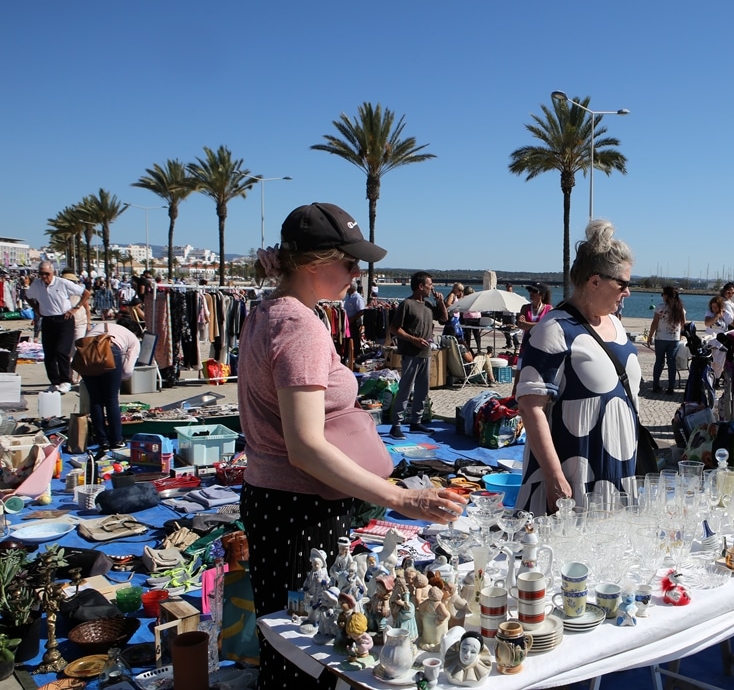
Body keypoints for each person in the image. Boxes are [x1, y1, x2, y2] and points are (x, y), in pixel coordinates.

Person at [238, 202, 467, 689]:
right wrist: (403, 498)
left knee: (285, 642)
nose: (357, 274)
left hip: (276, 502)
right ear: (314, 262)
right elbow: (305, 447)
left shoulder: (270, 311)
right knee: (309, 649)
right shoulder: (299, 327)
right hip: (300, 511)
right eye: (349, 262)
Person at [515, 220, 641, 515]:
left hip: (618, 470)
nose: (628, 292)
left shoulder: (616, 326)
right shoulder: (554, 329)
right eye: (623, 284)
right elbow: (530, 406)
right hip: (574, 475)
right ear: (595, 281)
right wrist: (553, 477)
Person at [388, 271, 448, 440]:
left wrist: (440, 302)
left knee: (423, 389)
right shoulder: (407, 304)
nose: (432, 288)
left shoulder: (428, 305)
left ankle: (416, 422)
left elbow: (444, 318)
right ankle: (396, 425)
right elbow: (394, 328)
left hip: (425, 353)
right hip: (410, 352)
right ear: (421, 286)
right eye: (430, 285)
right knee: (406, 388)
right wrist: (413, 339)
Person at [26, 260, 90, 393]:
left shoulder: (62, 283)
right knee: (49, 353)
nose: (44, 277)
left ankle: (65, 380)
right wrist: (35, 307)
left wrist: (75, 308)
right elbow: (27, 296)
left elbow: (86, 293)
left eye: (46, 274)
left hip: (64, 319)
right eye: (41, 274)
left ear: (52, 272)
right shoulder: (37, 285)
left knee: (62, 351)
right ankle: (54, 381)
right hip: (48, 319)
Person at [83, 317, 143, 456]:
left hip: (86, 354)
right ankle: (116, 441)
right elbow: (127, 370)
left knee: (96, 400)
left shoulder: (101, 326)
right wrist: (116, 378)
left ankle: (102, 442)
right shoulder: (133, 338)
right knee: (111, 400)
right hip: (110, 350)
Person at [647, 286, 685, 394]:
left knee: (659, 361)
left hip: (661, 338)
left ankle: (656, 385)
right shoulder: (680, 308)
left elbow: (655, 323)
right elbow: (683, 324)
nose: (662, 296)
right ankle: (671, 387)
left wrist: (650, 336)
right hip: (674, 339)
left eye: (663, 294)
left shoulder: (660, 307)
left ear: (666, 295)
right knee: (671, 362)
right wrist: (680, 335)